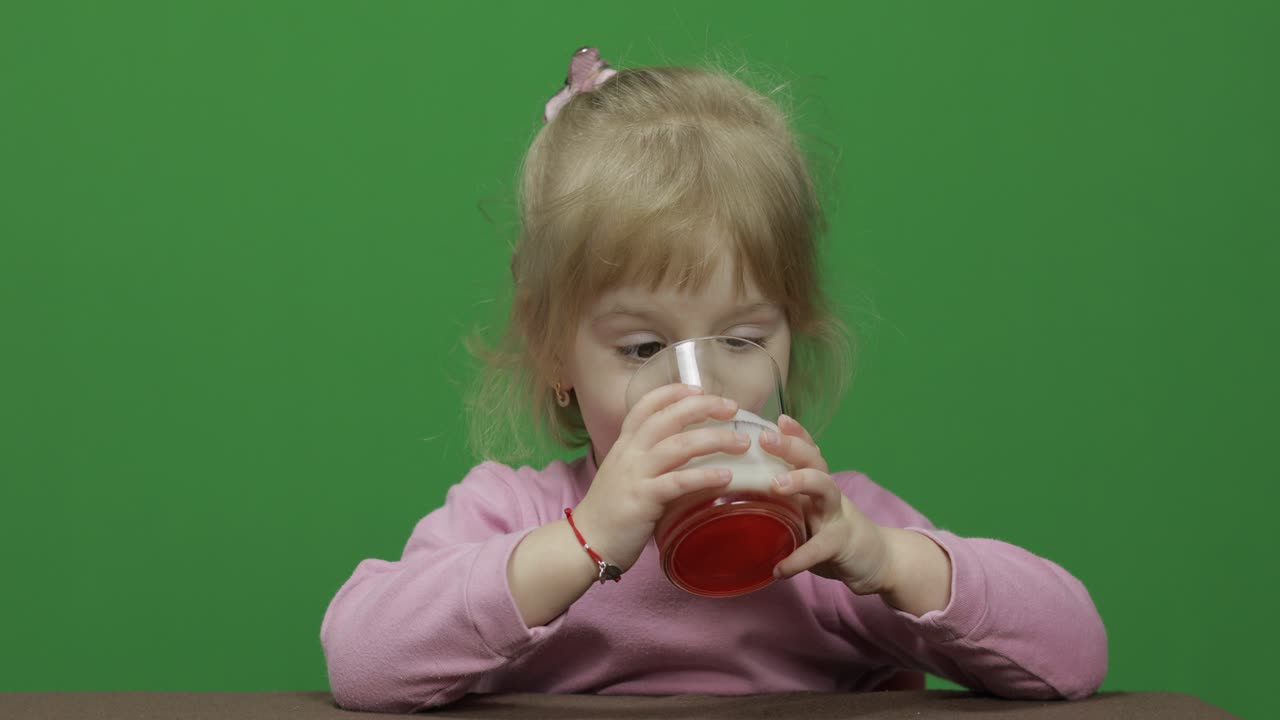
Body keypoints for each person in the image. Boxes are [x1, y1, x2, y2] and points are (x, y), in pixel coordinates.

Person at [320, 46, 1108, 713]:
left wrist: (886, 560)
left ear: (791, 332)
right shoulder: (513, 516)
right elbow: (360, 659)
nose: (697, 391)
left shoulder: (827, 532)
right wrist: (581, 543)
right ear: (555, 351)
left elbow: (1075, 655)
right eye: (639, 348)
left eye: (739, 337)